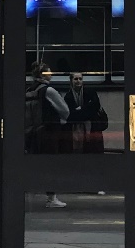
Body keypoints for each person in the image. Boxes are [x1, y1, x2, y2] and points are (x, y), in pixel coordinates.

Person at [28, 63, 71, 207]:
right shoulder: (49, 90)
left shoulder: (30, 89)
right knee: (51, 163)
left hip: (33, 131)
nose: (51, 75)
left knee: (38, 163)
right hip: (50, 131)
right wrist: (63, 120)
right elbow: (65, 110)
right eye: (48, 73)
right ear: (42, 75)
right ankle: (51, 198)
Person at [65, 72, 108, 155]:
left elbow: (94, 108)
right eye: (76, 79)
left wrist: (80, 109)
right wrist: (86, 109)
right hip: (77, 130)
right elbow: (71, 115)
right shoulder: (68, 96)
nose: (78, 81)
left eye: (80, 79)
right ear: (71, 81)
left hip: (93, 128)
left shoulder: (90, 92)